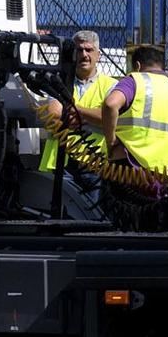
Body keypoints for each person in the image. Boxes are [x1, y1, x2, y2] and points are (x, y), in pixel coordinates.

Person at [33, 29, 118, 222]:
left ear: (98, 55)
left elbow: (111, 116)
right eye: (79, 50)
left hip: (93, 165)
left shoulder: (111, 86)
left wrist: (75, 111)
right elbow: (54, 115)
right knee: (57, 218)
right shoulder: (59, 81)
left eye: (89, 50)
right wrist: (91, 117)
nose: (84, 55)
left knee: (91, 220)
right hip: (61, 163)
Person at [99, 44, 168, 192]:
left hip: (130, 169)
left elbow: (111, 104)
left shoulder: (135, 80)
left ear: (137, 65)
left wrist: (110, 142)